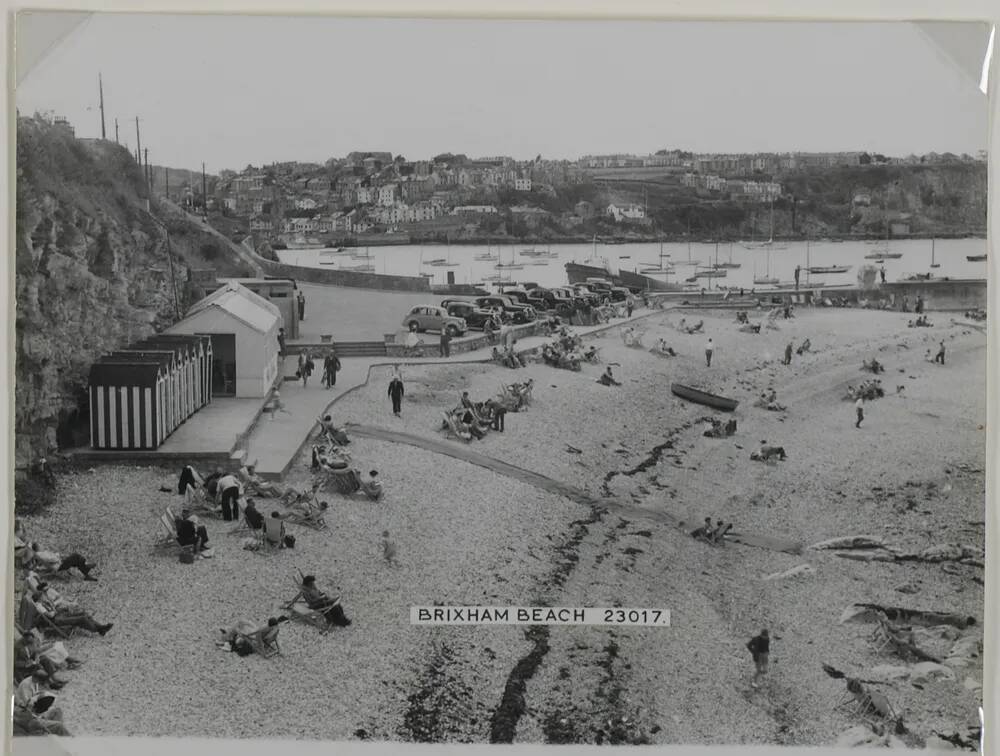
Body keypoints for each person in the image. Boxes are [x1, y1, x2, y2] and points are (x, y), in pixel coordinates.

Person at [30, 590, 113, 636]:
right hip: (56, 619)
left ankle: (100, 628)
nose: (45, 597)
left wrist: (53, 607)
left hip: (59, 614)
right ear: (40, 599)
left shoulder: (43, 603)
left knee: (83, 613)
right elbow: (51, 615)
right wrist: (53, 609)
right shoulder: (39, 606)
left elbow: (53, 609)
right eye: (43, 596)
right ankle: (98, 629)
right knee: (82, 619)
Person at [23, 543, 99, 581]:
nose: (42, 545)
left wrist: (58, 556)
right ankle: (86, 568)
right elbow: (53, 559)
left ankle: (85, 568)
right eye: (40, 545)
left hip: (59, 563)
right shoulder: (41, 554)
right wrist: (58, 556)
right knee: (75, 556)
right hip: (59, 566)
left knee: (76, 558)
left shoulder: (42, 553)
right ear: (38, 548)